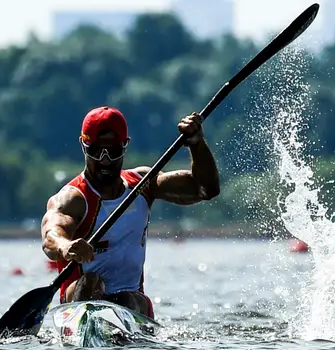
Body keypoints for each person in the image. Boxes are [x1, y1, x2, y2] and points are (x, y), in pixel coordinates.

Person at [41, 106, 221, 318]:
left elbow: (206, 189)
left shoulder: (143, 184)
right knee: (90, 282)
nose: (105, 160)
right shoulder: (73, 199)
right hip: (79, 299)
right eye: (96, 151)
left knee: (127, 298)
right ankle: (89, 328)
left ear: (125, 146)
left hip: (131, 303)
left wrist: (197, 145)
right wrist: (66, 246)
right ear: (83, 145)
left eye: (113, 151)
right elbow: (51, 234)